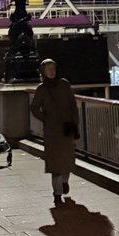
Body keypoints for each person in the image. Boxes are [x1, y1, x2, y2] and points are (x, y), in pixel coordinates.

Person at [30, 59, 79, 206]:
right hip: (52, 131)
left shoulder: (64, 84)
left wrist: (74, 123)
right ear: (44, 72)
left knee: (67, 159)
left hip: (66, 128)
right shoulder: (42, 89)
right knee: (55, 162)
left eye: (53, 68)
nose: (51, 71)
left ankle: (64, 182)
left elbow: (73, 105)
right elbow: (34, 108)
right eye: (48, 69)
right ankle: (57, 192)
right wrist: (46, 119)